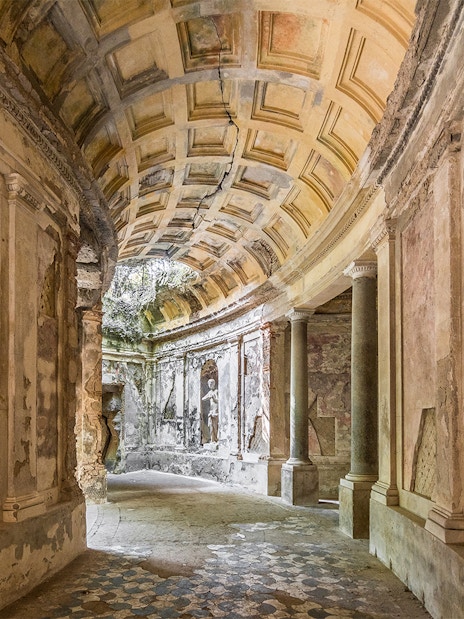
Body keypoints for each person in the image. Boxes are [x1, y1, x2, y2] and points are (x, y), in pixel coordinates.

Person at [202, 378, 219, 442]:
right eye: (208, 384)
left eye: (211, 383)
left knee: (215, 427)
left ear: (214, 384)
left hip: (215, 410)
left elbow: (218, 401)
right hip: (211, 411)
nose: (209, 385)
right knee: (210, 426)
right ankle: (212, 440)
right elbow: (203, 399)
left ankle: (216, 439)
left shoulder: (216, 391)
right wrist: (208, 397)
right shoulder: (210, 392)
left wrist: (213, 397)